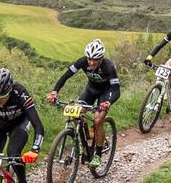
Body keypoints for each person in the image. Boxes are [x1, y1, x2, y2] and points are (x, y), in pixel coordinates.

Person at [47, 39, 120, 169]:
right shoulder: (82, 61)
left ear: (101, 58)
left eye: (95, 60)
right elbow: (66, 76)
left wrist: (108, 102)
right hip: (90, 90)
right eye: (90, 59)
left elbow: (116, 90)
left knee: (98, 120)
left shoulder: (108, 67)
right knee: (77, 113)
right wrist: (54, 92)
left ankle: (97, 154)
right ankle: (87, 140)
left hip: (105, 92)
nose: (91, 62)